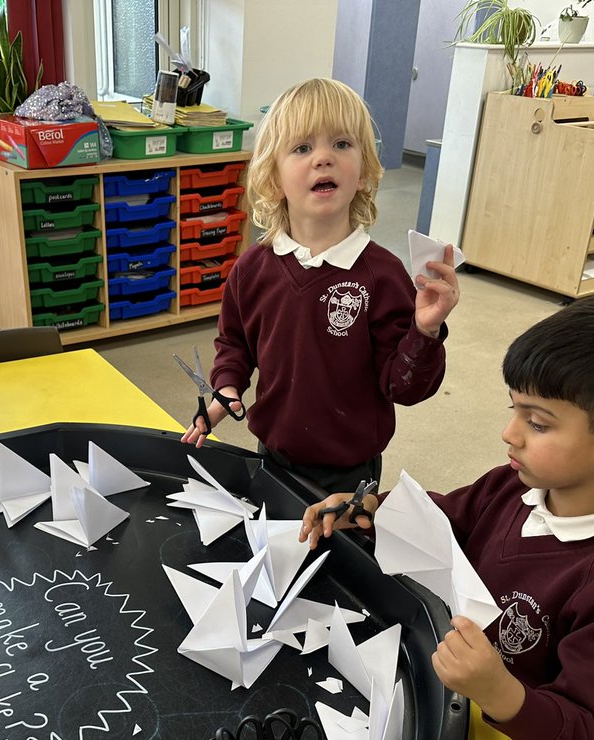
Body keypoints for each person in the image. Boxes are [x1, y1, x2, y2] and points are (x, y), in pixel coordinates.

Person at [299, 294, 594, 740]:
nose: (509, 433)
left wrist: (500, 690)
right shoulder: (514, 484)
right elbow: (445, 520)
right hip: (436, 696)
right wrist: (375, 507)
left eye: (538, 422)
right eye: (515, 410)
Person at [180, 78, 459, 495]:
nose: (324, 158)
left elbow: (405, 388)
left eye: (342, 144)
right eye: (302, 148)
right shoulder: (251, 269)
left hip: (351, 471)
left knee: (338, 557)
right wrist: (226, 388)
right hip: (272, 454)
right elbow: (235, 344)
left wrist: (426, 331)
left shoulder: (382, 276)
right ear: (273, 179)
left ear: (364, 172)